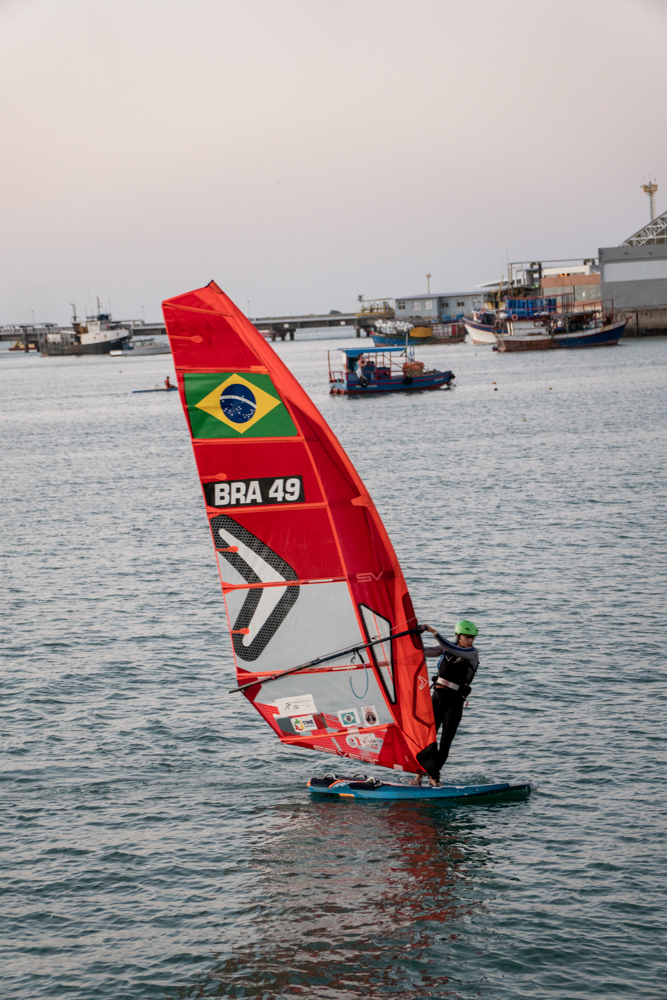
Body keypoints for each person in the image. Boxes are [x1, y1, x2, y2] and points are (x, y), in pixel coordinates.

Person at [411, 620, 480, 786]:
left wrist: (433, 632)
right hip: (437, 697)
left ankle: (434, 777)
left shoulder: (472, 653)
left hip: (454, 702)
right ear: (458, 636)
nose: (470, 640)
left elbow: (452, 648)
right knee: (427, 738)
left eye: (472, 637)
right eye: (467, 637)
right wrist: (412, 640)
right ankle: (419, 775)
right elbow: (422, 652)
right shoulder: (445, 649)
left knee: (445, 742)